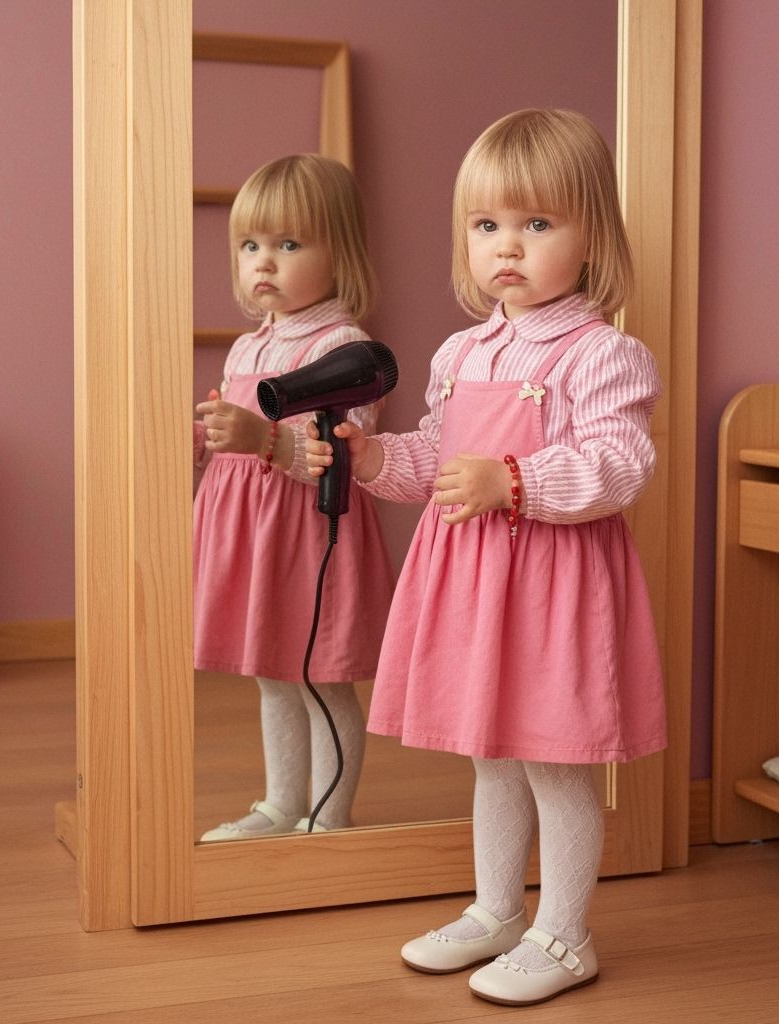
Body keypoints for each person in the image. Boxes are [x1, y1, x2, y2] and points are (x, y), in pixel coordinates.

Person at [306, 109, 665, 1006]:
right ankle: (499, 908)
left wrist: (514, 481)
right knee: (491, 756)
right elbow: (436, 456)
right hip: (473, 582)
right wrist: (372, 456)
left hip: (552, 586)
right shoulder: (461, 352)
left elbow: (620, 465)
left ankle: (565, 933)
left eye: (538, 224)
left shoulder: (603, 353)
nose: (509, 245)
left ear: (591, 241)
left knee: (553, 756)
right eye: (487, 225)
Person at [193, 154, 395, 841]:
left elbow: (345, 450)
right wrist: (208, 437)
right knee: (272, 674)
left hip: (311, 531)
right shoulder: (248, 347)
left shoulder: (346, 344)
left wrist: (262, 440)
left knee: (318, 674)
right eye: (250, 246)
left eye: (287, 244)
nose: (264, 263)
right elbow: (236, 435)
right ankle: (282, 805)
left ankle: (330, 817)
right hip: (253, 531)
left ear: (339, 253)